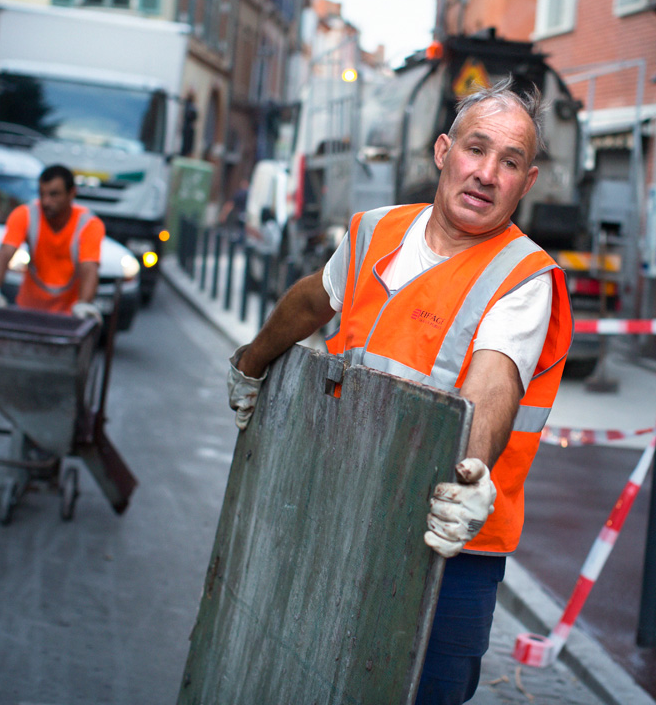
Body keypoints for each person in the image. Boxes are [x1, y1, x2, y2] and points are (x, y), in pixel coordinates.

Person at [226, 78, 572, 704]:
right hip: (345, 507)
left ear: (529, 181)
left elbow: (492, 386)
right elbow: (312, 299)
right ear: (443, 151)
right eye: (476, 149)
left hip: (448, 540)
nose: (487, 173)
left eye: (510, 162)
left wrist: (471, 476)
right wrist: (251, 362)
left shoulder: (524, 278)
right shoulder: (376, 233)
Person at [0, 164, 105, 322]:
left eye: (54, 195)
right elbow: (5, 252)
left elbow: (89, 267)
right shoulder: (25, 215)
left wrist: (85, 304)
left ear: (72, 193)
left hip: (67, 317)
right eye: (42, 194)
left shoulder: (88, 224)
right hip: (28, 310)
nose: (46, 202)